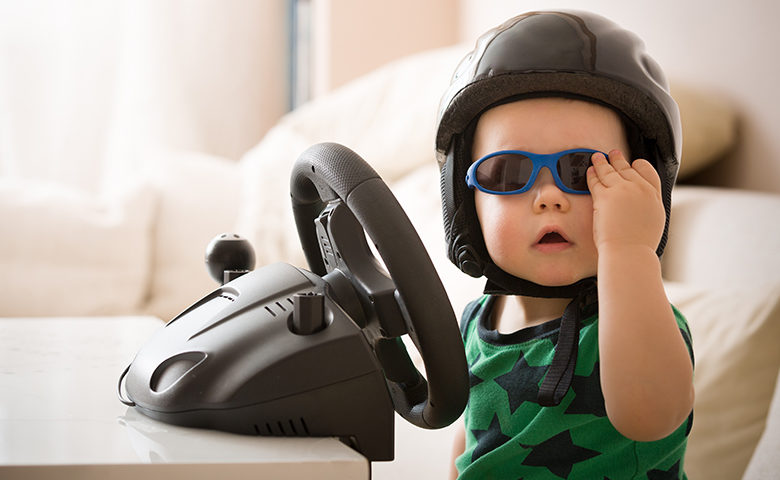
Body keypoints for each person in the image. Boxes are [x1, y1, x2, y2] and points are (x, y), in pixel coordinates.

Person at [435, 10, 695, 479]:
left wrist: (628, 249)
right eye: (509, 172)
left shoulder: (641, 321)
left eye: (582, 170)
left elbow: (651, 416)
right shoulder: (475, 322)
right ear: (465, 200)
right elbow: (469, 446)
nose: (549, 196)